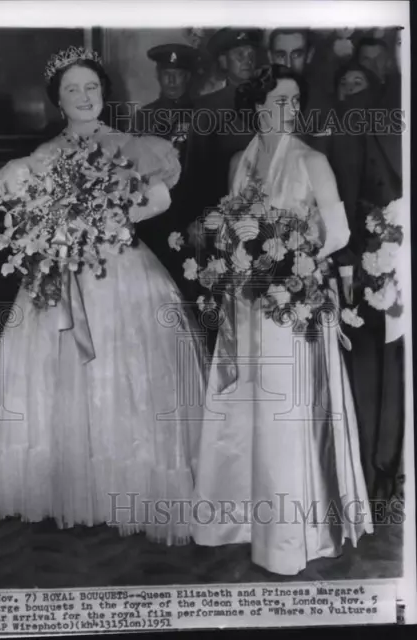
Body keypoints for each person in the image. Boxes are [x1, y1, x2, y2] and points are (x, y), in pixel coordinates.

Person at [0, 47, 205, 546]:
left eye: (91, 87)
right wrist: (56, 231)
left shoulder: (133, 145)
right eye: (73, 90)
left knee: (125, 371)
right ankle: (65, 484)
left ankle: (128, 486)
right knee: (58, 375)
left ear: (103, 93)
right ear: (58, 101)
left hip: (121, 267)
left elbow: (160, 199)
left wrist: (110, 220)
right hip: (63, 274)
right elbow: (24, 214)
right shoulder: (40, 158)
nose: (84, 97)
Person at [191, 65, 373, 575]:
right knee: (245, 408)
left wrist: (292, 254)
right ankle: (242, 521)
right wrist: (224, 246)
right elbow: (231, 225)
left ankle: (290, 538)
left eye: (294, 102)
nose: (287, 111)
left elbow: (336, 233)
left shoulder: (312, 159)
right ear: (255, 105)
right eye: (277, 101)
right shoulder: (238, 162)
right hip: (244, 304)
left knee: (283, 417)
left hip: (291, 305)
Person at [331, 45, 404, 502]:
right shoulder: (357, 114)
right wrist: (358, 257)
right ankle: (379, 475)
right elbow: (346, 193)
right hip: (380, 261)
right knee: (380, 371)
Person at [182, 28, 261, 241]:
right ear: (224, 62)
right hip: (222, 214)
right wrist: (198, 218)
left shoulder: (271, 101)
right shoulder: (208, 108)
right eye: (240, 56)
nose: (248, 61)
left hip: (268, 211)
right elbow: (196, 171)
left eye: (252, 55)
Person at [132, 44, 198, 290]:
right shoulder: (144, 117)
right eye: (166, 72)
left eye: (178, 73)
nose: (171, 79)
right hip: (154, 218)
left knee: (190, 284)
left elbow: (208, 168)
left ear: (188, 76)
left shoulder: (202, 115)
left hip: (191, 212)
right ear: (158, 75)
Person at [268, 28, 335, 156]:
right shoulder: (255, 98)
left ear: (309, 55)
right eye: (281, 55)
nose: (288, 64)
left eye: (296, 55)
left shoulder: (322, 104)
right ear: (270, 57)